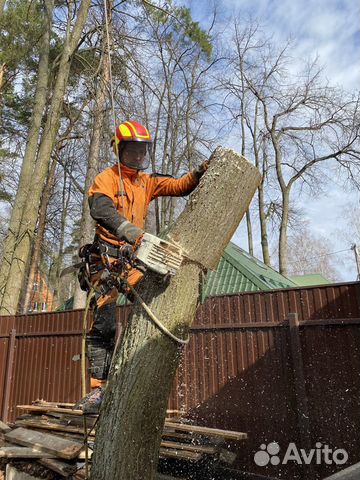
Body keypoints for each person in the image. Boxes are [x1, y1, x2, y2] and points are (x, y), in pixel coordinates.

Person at [78, 120, 209, 413]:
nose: (137, 157)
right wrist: (128, 229)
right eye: (131, 151)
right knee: (105, 324)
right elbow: (100, 209)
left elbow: (179, 186)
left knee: (155, 300)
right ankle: (98, 390)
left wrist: (199, 171)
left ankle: (136, 374)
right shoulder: (107, 178)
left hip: (133, 261)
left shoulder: (146, 182)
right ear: (119, 150)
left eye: (141, 152)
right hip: (107, 261)